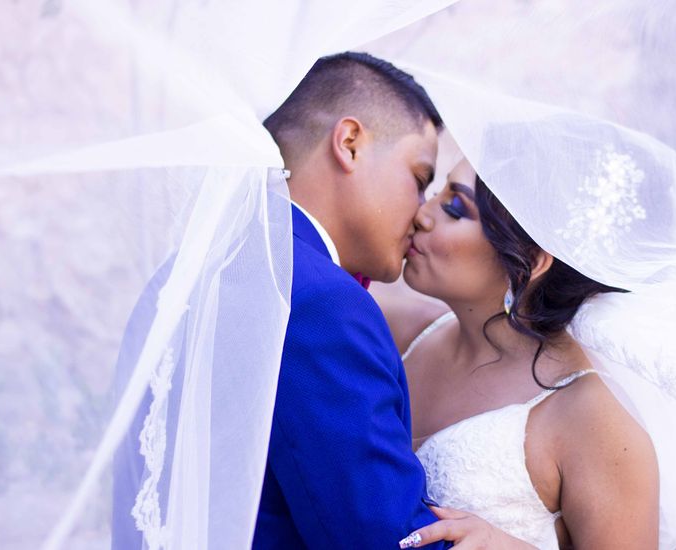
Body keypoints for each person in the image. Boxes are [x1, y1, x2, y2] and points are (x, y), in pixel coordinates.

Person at [114, 51, 451, 549]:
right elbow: (383, 536)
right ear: (350, 143)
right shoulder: (323, 305)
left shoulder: (178, 279)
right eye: (420, 179)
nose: (422, 214)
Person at [374, 158, 660, 549]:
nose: (422, 214)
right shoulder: (404, 329)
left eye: (455, 208)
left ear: (532, 262)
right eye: (437, 191)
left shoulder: (592, 419)